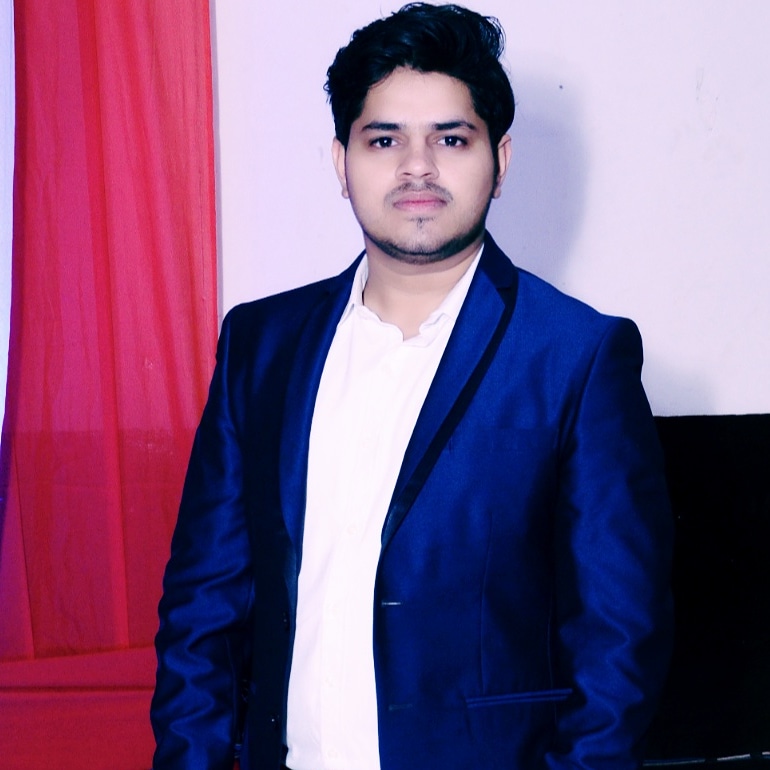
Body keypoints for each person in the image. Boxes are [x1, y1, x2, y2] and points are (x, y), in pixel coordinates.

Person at [151, 4, 673, 769]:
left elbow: (618, 640)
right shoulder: (261, 345)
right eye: (385, 139)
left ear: (500, 159)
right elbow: (204, 608)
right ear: (342, 162)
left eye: (451, 139)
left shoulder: (577, 355)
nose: (417, 167)